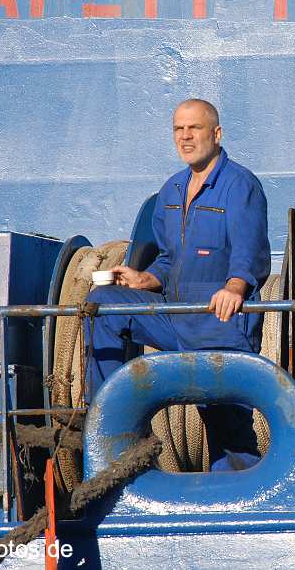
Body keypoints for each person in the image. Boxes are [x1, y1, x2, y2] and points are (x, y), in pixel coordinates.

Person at [84, 98, 271, 469]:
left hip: (219, 325)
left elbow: (250, 251)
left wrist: (234, 287)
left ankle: (241, 500)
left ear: (216, 134)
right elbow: (169, 259)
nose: (185, 137)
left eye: (195, 128)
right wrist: (146, 278)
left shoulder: (240, 185)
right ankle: (106, 418)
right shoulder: (170, 192)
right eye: (178, 129)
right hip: (173, 317)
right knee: (104, 305)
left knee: (229, 435)